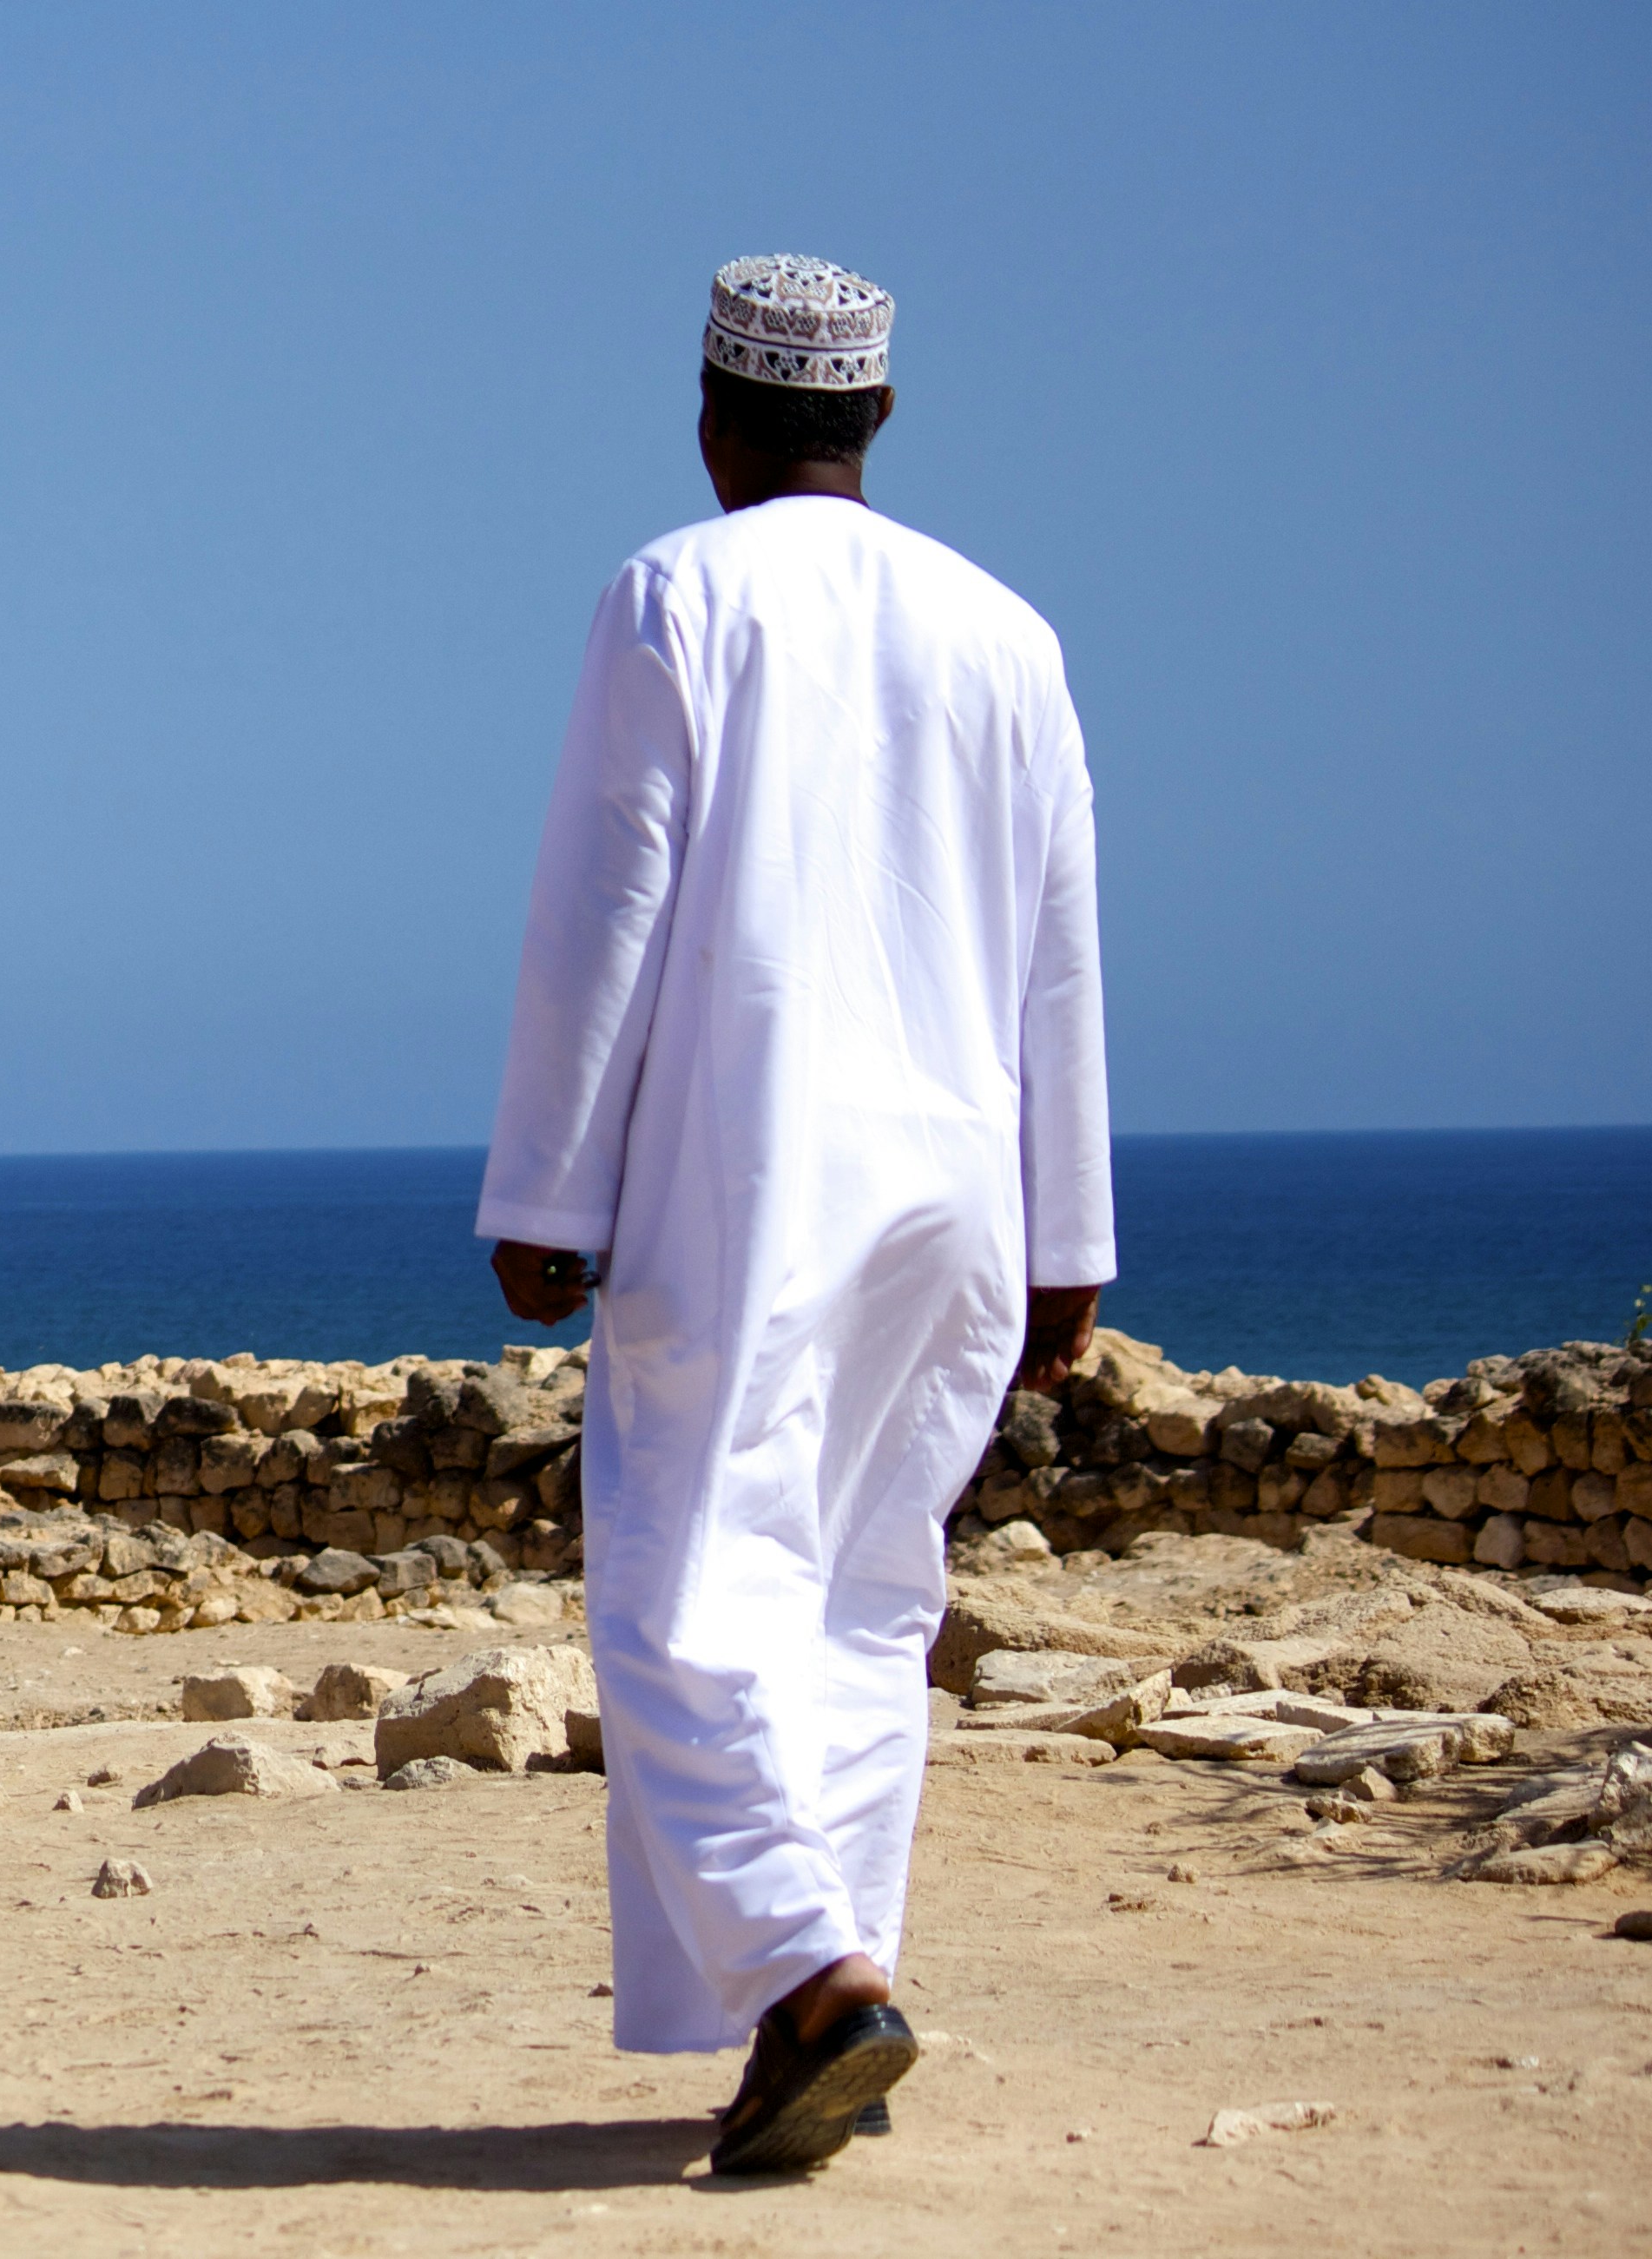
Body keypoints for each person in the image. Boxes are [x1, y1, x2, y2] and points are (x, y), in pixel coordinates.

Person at [476, 255, 1114, 2177]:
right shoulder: (1007, 630)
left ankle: (814, 1975)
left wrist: (545, 1187)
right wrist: (1066, 1238)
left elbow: (608, 900)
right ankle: (818, 2018)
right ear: (880, 415)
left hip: (744, 1175)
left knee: (676, 1590)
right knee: (859, 1598)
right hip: (957, 1191)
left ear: (711, 414)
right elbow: (1061, 951)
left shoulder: (676, 592)